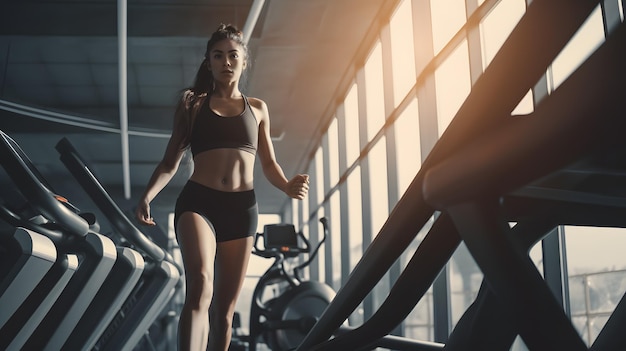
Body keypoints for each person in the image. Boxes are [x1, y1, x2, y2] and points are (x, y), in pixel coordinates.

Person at [135, 24, 310, 351]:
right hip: (198, 204)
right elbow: (170, 162)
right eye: (218, 56)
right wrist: (147, 195)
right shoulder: (192, 105)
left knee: (225, 312)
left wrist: (287, 186)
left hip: (241, 211)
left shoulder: (258, 109)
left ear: (244, 61)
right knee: (200, 285)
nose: (226, 62)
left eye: (233, 55)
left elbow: (268, 163)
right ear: (209, 62)